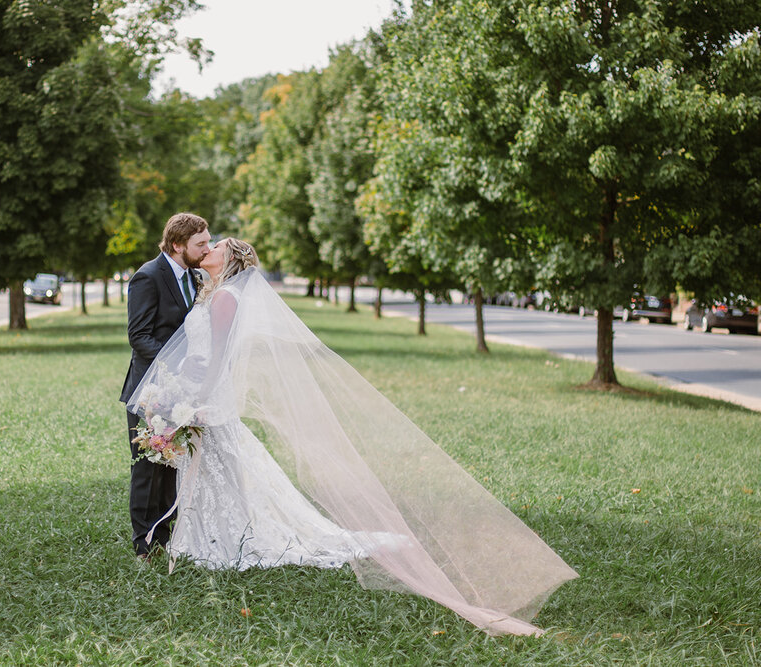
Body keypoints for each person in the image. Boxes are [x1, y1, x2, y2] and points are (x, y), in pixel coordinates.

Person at [127, 238, 578, 636]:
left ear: (231, 259)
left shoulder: (224, 298)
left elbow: (221, 358)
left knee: (222, 469)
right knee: (217, 470)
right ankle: (203, 536)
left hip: (209, 398)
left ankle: (223, 540)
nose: (209, 249)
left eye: (217, 245)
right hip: (198, 395)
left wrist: (198, 399)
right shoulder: (212, 292)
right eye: (206, 244)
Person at [120, 212, 211, 559]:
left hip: (183, 392)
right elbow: (138, 336)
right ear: (177, 244)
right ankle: (143, 544)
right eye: (200, 243)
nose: (206, 248)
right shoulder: (148, 276)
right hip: (150, 390)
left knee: (172, 467)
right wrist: (178, 364)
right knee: (147, 467)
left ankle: (165, 537)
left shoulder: (196, 277)